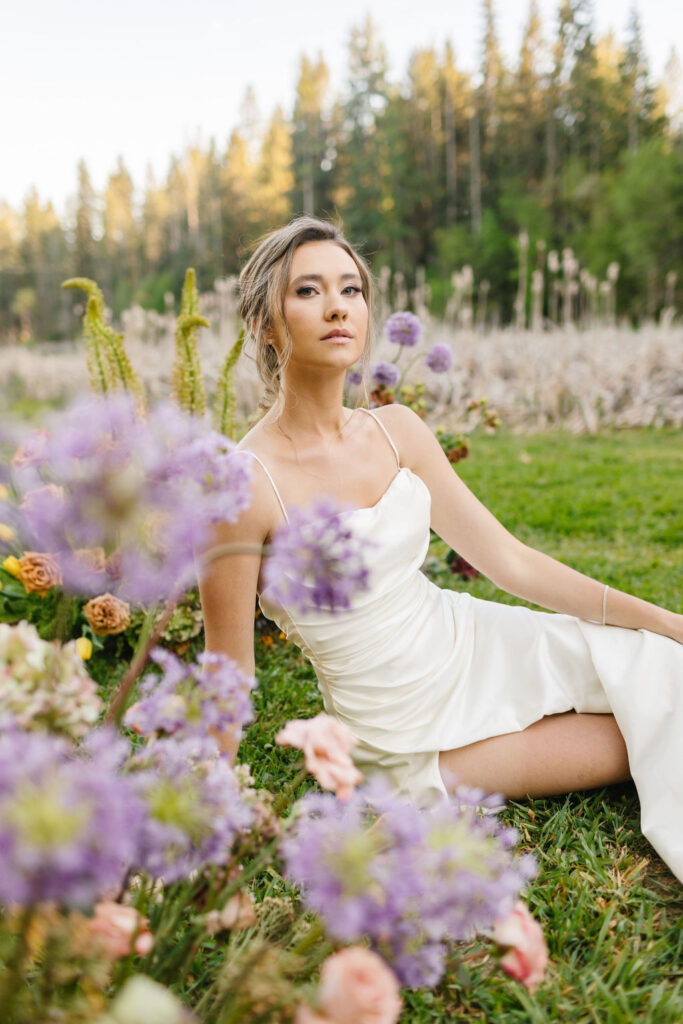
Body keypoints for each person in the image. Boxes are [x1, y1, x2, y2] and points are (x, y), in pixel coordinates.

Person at [198, 216, 683, 883]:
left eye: (351, 289)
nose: (338, 305)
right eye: (308, 291)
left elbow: (507, 561)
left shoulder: (397, 430)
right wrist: (201, 815)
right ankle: (424, 796)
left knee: (664, 669)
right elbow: (231, 677)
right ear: (264, 324)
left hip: (472, 639)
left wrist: (663, 620)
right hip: (397, 734)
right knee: (642, 732)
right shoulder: (242, 484)